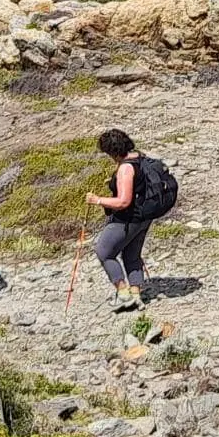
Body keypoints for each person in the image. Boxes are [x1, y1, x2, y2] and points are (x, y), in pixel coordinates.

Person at [86, 128, 161, 312]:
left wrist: (97, 200)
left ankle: (123, 293)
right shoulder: (139, 157)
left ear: (112, 151)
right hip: (144, 217)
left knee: (104, 252)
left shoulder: (125, 169)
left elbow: (123, 201)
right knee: (131, 255)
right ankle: (136, 296)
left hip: (128, 220)